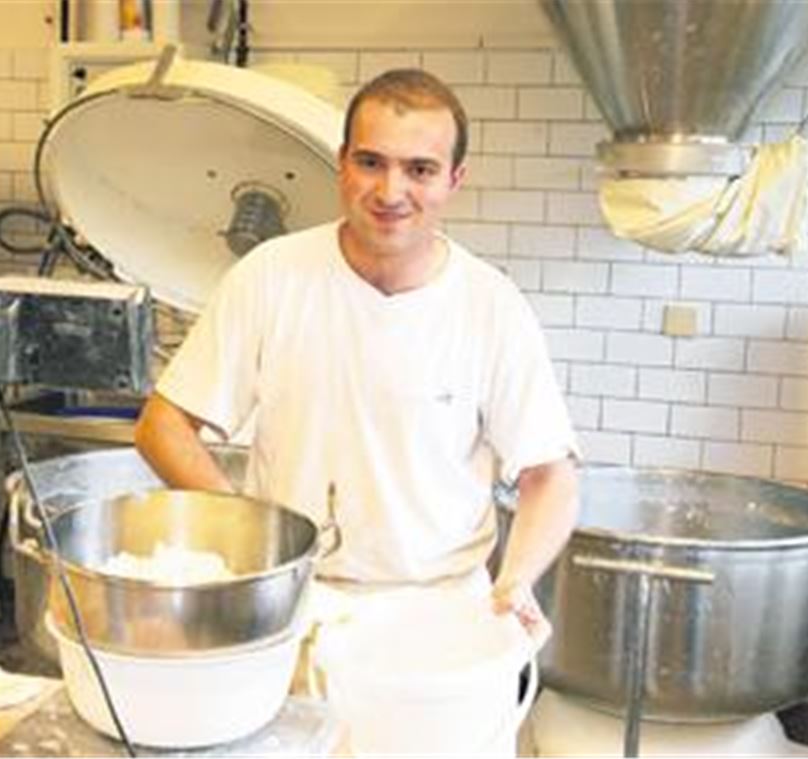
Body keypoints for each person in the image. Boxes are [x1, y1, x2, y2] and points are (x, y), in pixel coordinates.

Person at [133, 68, 579, 635]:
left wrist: (515, 579)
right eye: (372, 162)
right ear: (342, 162)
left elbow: (551, 476)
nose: (391, 192)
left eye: (420, 170)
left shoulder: (490, 304)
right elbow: (162, 427)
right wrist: (252, 536)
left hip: (441, 615)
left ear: (454, 179)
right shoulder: (271, 276)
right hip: (294, 608)